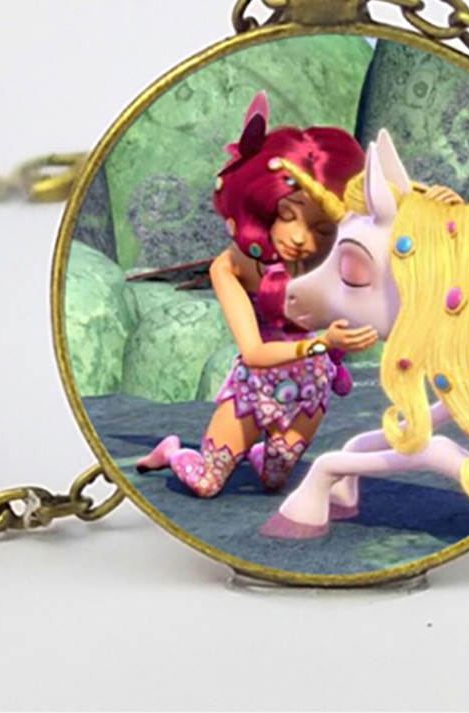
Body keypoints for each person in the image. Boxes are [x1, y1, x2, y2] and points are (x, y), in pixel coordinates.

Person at [136, 91, 376, 496]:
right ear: (265, 206)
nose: (299, 238)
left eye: (319, 227)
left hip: (309, 391)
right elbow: (253, 353)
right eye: (288, 215)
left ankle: (261, 452)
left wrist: (435, 203)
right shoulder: (231, 267)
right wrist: (323, 344)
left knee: (273, 481)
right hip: (254, 387)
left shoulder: (333, 260)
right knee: (207, 483)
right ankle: (172, 450)